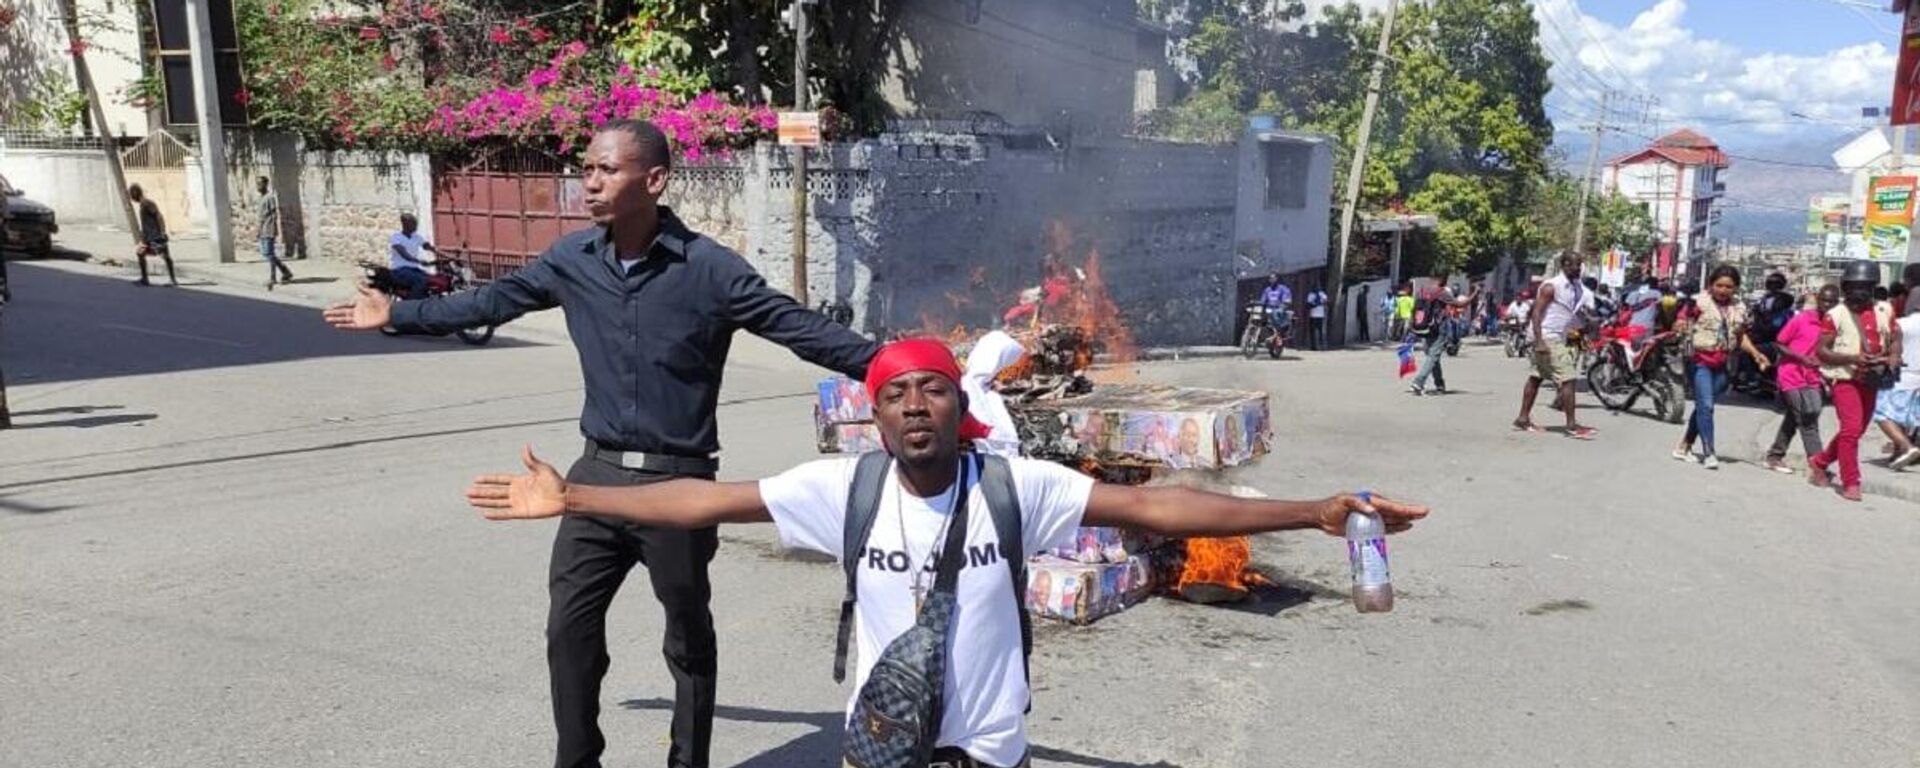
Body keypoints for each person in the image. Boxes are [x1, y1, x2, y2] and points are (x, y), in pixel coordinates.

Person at [463, 338, 1430, 768]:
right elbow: (705, 496)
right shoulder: (841, 488)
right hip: (882, 742)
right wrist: (578, 494)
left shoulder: (1015, 485)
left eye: (933, 390)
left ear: (958, 410)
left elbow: (1160, 505)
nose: (917, 404)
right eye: (897, 394)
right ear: (875, 415)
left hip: (990, 744)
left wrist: (1313, 511)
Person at [324, 120, 881, 768]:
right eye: (586, 169)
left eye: (606, 170)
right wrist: (398, 313)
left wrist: (901, 365)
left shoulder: (711, 271)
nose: (589, 181)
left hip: (681, 483)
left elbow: (800, 330)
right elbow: (490, 302)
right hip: (595, 477)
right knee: (569, 629)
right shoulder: (573, 261)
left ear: (655, 179)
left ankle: (687, 761)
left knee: (686, 636)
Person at [1810, 261, 1898, 502]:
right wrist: (1852, 358)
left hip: (1872, 379)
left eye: (1864, 286)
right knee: (1850, 430)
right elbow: (1822, 351)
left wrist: (1893, 357)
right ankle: (1851, 481)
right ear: (1845, 287)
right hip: (1845, 378)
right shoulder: (1835, 315)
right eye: (1853, 287)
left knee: (1855, 431)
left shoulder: (1884, 310)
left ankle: (1820, 462)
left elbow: (1895, 336)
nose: (1858, 292)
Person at [1670, 265, 1768, 470]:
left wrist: (1756, 354)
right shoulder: (1698, 303)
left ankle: (1685, 445)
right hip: (1700, 361)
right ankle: (1709, 452)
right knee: (1707, 406)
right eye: (1719, 285)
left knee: (1704, 406)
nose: (1723, 290)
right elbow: (1681, 320)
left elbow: (1740, 337)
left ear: (1736, 288)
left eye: (1728, 286)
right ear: (1711, 285)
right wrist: (1680, 325)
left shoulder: (1738, 308)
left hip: (1724, 364)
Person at [1513, 252, 1595, 439]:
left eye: (1580, 264)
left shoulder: (1576, 287)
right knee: (1568, 378)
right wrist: (1540, 340)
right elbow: (1536, 313)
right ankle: (1572, 425)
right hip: (1548, 337)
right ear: (1565, 265)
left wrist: (1583, 328)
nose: (1579, 268)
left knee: (1536, 377)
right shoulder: (1551, 287)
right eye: (1575, 265)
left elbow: (1569, 312)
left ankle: (1523, 418)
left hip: (1559, 336)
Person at [1764, 287, 1837, 474]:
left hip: (1813, 377)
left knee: (1800, 414)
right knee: (1807, 418)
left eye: (1832, 302)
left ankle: (1775, 455)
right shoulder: (1802, 319)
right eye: (1824, 301)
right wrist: (1800, 358)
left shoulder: (1834, 325)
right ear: (1818, 300)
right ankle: (1818, 464)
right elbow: (1779, 343)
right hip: (1790, 373)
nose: (1827, 305)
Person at [1407, 274, 1476, 396]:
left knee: (1433, 356)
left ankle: (1439, 384)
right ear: (1443, 279)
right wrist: (1475, 293)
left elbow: (1415, 308)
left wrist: (1413, 323)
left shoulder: (1422, 290)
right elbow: (1460, 304)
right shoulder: (1441, 292)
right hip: (1439, 328)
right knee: (1433, 356)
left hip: (1424, 327)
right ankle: (1418, 382)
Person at [1873, 294, 1920, 470]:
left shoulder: (1901, 324)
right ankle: (1900, 451)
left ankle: (1907, 447)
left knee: (1882, 414)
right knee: (1909, 417)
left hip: (1903, 376)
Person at [128, 184, 177, 287]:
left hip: (155, 237)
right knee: (141, 253)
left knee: (165, 256)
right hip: (149, 238)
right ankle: (146, 279)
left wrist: (163, 232)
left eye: (132, 196)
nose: (132, 199)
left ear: (135, 194)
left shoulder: (147, 203)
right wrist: (143, 237)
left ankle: (171, 280)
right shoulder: (143, 204)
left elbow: (159, 216)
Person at [387, 213, 438, 300]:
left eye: (416, 223)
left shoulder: (416, 237)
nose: (416, 226)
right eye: (413, 223)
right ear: (405, 224)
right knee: (420, 281)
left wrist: (439, 253)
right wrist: (419, 261)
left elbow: (427, 246)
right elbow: (405, 255)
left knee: (431, 279)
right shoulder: (396, 238)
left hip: (414, 269)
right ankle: (412, 303)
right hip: (400, 270)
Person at [257, 175, 293, 289]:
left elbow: (273, 214)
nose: (258, 186)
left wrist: (272, 229)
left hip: (268, 229)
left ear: (265, 184)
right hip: (262, 229)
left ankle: (273, 277)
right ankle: (285, 271)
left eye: (260, 184)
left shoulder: (269, 197)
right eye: (257, 184)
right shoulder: (261, 198)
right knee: (266, 253)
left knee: (269, 253)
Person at [1305, 283, 1329, 350]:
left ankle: (1319, 345)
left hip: (1317, 315)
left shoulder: (1313, 295)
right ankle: (1316, 346)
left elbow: (1308, 304)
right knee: (1317, 331)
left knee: (1317, 331)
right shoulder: (1321, 294)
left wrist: (1316, 303)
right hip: (1316, 315)